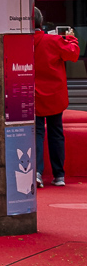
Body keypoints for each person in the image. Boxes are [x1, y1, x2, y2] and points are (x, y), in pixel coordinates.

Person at [34, 11, 79, 188]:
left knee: (36, 133)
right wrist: (71, 38)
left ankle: (37, 172)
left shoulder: (22, 43)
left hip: (33, 95)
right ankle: (59, 175)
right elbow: (73, 54)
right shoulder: (54, 41)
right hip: (54, 96)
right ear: (41, 22)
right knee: (56, 134)